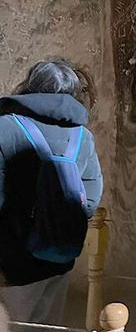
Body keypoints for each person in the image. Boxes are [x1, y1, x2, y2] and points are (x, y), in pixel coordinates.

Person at [0, 60, 103, 324]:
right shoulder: (82, 136)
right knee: (48, 325)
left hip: (12, 260)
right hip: (59, 254)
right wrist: (53, 219)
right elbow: (89, 200)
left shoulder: (6, 128)